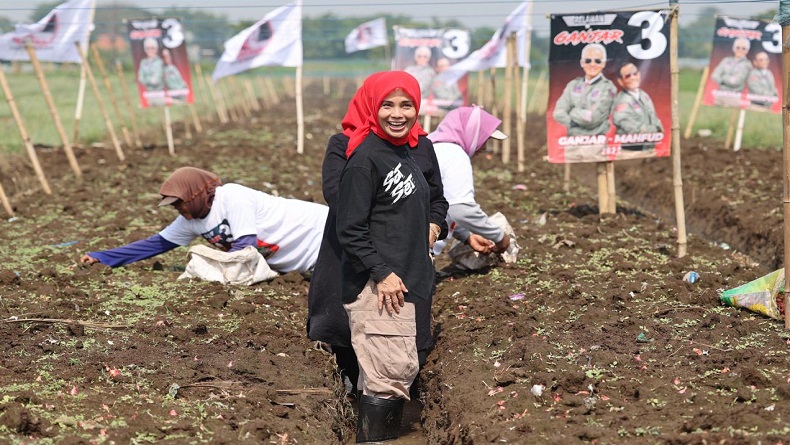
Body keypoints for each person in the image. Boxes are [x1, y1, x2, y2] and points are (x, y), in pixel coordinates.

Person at [306, 73, 448, 401]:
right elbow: (342, 202)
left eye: (406, 104)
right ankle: (357, 402)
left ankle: (384, 414)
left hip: (408, 261)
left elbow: (437, 198)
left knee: (405, 347)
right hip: (355, 257)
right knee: (353, 339)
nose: (397, 114)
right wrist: (388, 236)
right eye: (387, 104)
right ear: (371, 104)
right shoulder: (348, 148)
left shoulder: (421, 147)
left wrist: (431, 225)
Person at [80, 167, 328, 275]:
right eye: (173, 205)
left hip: (320, 234)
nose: (178, 209)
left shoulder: (232, 197)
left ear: (196, 194)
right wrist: (103, 257)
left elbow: (246, 247)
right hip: (299, 263)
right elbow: (154, 245)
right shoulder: (191, 219)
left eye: (180, 202)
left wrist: (210, 268)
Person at [427, 105, 510, 258]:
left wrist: (466, 235)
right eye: (484, 139)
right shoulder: (454, 155)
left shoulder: (430, 147)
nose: (484, 147)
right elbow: (460, 209)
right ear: (471, 132)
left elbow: (439, 205)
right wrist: (499, 236)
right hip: (415, 255)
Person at [552, 43, 617, 161]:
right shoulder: (573, 85)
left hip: (596, 145)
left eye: (597, 61)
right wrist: (580, 117)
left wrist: (572, 112)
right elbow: (558, 113)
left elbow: (592, 119)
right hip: (572, 144)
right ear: (582, 63)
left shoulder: (608, 88)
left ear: (603, 63)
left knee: (601, 173)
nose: (592, 64)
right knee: (572, 176)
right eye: (588, 60)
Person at [611, 62, 663, 153]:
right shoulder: (622, 101)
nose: (633, 77)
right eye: (628, 76)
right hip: (631, 150)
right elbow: (630, 127)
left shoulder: (644, 95)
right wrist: (655, 130)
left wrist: (659, 129)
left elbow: (654, 117)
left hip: (648, 147)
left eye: (635, 73)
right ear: (620, 81)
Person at [710, 38, 752, 106]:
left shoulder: (747, 64)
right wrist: (725, 80)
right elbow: (714, 75)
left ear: (747, 51)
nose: (740, 50)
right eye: (738, 47)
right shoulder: (726, 60)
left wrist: (723, 77)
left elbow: (736, 82)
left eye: (743, 48)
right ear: (734, 48)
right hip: (720, 95)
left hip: (735, 97)